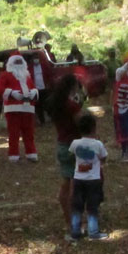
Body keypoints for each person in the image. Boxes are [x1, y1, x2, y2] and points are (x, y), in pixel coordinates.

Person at [47, 74, 83, 233]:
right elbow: (81, 123)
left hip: (62, 145)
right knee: (76, 188)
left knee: (65, 185)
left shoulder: (56, 104)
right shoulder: (72, 106)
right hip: (75, 146)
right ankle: (77, 223)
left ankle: (69, 222)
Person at [66, 114, 109, 241]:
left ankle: (75, 232)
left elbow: (70, 155)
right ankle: (93, 232)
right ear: (94, 128)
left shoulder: (75, 143)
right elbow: (104, 158)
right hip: (93, 180)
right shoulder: (98, 144)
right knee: (92, 207)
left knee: (77, 206)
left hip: (78, 179)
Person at [0, 54, 39, 162]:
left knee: (29, 132)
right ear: (11, 63)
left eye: (20, 62)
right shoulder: (5, 75)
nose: (19, 64)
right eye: (16, 62)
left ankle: (31, 153)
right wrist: (11, 93)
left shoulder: (27, 76)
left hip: (28, 108)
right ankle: (13, 154)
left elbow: (33, 87)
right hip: (13, 109)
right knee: (14, 133)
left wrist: (34, 92)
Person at [30, 56, 48, 125]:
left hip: (44, 88)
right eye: (34, 59)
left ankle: (48, 119)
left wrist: (48, 84)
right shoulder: (30, 68)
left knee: (45, 104)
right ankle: (42, 120)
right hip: (35, 89)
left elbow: (48, 75)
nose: (36, 60)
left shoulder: (43, 66)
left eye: (37, 58)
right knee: (38, 106)